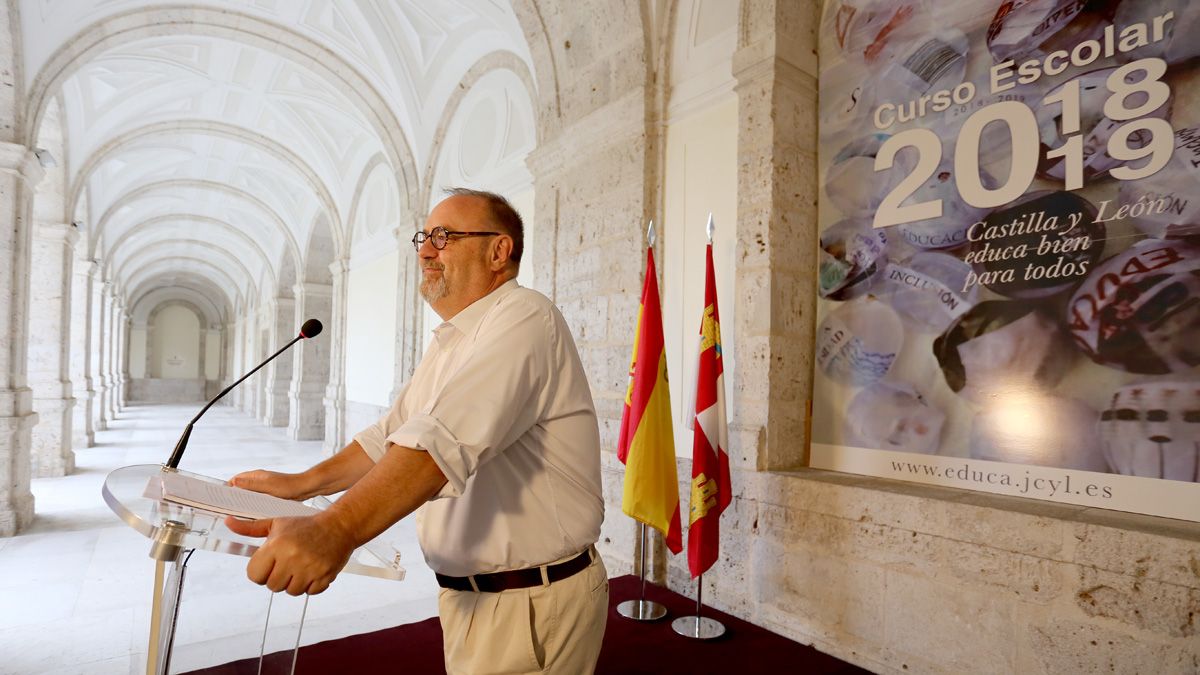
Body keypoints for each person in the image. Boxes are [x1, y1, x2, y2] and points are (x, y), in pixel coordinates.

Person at [225, 188, 608, 674]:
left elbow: (436, 444)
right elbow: (389, 435)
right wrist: (299, 485)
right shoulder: (452, 340)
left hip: (532, 599)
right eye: (424, 236)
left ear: (499, 250)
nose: (426, 249)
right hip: (476, 597)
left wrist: (336, 528)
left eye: (445, 236)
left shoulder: (525, 315)